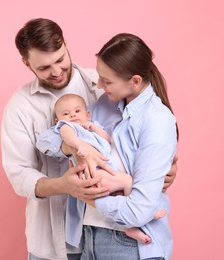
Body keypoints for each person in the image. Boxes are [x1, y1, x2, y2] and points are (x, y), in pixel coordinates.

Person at [1, 18, 178, 260]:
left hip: (104, 231)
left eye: (60, 59)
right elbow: (20, 173)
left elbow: (138, 142)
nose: (56, 72)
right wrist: (68, 166)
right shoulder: (20, 106)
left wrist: (160, 170)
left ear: (66, 44)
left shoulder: (102, 84)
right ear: (27, 63)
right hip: (53, 240)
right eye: (44, 68)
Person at [76, 33, 178, 259]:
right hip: (91, 235)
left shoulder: (158, 121)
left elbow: (139, 210)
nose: (99, 85)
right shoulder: (107, 103)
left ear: (135, 81)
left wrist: (86, 197)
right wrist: (68, 140)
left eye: (107, 80)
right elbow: (64, 130)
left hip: (131, 245)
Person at [36, 93, 167, 245]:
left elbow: (109, 140)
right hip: (92, 173)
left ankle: (130, 225)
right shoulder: (67, 127)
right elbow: (67, 137)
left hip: (105, 170)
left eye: (77, 111)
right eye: (66, 113)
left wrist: (95, 128)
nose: (72, 115)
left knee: (121, 197)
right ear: (57, 120)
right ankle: (143, 216)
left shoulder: (92, 128)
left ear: (87, 114)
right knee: (126, 181)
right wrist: (78, 145)